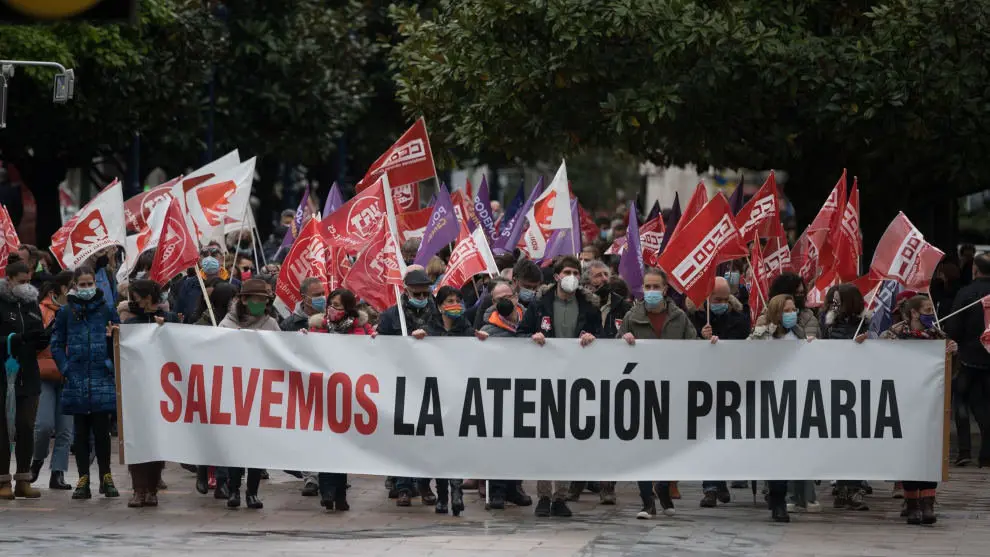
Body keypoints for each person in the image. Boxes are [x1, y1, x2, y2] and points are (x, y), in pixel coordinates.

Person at [518, 255, 603, 518]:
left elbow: (603, 337)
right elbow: (521, 334)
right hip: (544, 379)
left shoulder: (589, 307)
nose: (571, 277)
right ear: (556, 276)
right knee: (545, 439)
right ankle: (544, 496)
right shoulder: (539, 305)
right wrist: (533, 337)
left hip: (576, 381)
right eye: (567, 272)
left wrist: (592, 338)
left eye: (576, 273)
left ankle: (561, 497)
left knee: (567, 439)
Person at [618, 267, 698, 519]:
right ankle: (647, 501)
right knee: (642, 447)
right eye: (647, 287)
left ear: (665, 290)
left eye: (656, 287)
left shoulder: (679, 318)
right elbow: (614, 350)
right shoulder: (632, 317)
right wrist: (623, 340)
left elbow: (695, 349)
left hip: (673, 390)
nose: (651, 291)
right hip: (641, 390)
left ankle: (663, 486)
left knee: (671, 445)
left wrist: (710, 343)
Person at [880, 294, 957, 524]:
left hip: (931, 404)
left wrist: (953, 352)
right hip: (903, 402)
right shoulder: (894, 334)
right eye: (927, 310)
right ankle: (912, 503)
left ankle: (928, 503)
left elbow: (951, 371)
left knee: (930, 452)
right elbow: (877, 358)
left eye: (932, 310)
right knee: (909, 452)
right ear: (914, 313)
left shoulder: (938, 336)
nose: (931, 315)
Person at [414, 286, 488, 516]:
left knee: (455, 446)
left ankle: (456, 492)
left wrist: (481, 340)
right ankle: (443, 496)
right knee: (439, 448)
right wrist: (417, 340)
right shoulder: (429, 329)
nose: (454, 304)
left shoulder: (467, 330)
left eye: (457, 300)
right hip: (435, 396)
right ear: (439, 306)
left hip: (458, 395)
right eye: (449, 301)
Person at [50, 266, 121, 500]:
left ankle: (106, 477)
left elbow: (120, 339)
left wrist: (110, 360)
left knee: (102, 432)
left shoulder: (107, 309)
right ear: (74, 286)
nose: (87, 288)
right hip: (77, 379)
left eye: (90, 283)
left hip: (101, 377)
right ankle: (83, 478)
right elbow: (56, 343)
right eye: (82, 284)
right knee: (80, 433)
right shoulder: (66, 312)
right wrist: (66, 368)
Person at [306, 288, 374, 511]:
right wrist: (302, 340)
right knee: (326, 443)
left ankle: (340, 494)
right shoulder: (318, 327)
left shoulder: (362, 329)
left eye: (337, 306)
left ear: (348, 308)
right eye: (331, 304)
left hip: (350, 394)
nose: (332, 309)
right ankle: (327, 492)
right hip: (324, 393)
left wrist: (375, 341)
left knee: (342, 445)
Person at [378, 269, 440, 506]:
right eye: (417, 293)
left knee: (427, 436)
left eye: (425, 293)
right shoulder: (391, 316)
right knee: (403, 435)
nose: (422, 297)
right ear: (406, 291)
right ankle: (403, 486)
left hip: (430, 381)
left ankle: (423, 483)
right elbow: (382, 346)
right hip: (401, 382)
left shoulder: (437, 314)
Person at [217, 279, 280, 509]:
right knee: (237, 446)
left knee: (257, 446)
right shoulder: (227, 324)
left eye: (264, 300)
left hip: (262, 391)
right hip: (234, 392)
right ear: (243, 300)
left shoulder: (271, 324)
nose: (260, 304)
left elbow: (282, 351)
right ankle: (234, 490)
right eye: (256, 299)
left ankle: (252, 492)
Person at [748, 294, 811, 521]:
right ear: (776, 312)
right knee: (774, 454)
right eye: (786, 310)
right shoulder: (762, 336)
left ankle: (780, 498)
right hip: (768, 402)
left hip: (795, 402)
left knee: (786, 454)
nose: (791, 314)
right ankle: (778, 500)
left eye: (793, 309)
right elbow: (743, 356)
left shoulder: (799, 335)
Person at [691, 276, 751, 507]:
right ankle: (710, 487)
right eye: (717, 300)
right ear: (707, 298)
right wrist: (701, 338)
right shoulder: (695, 317)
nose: (722, 304)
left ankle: (720, 480)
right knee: (707, 437)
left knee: (726, 436)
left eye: (725, 300)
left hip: (731, 384)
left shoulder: (739, 318)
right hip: (703, 385)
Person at [121, 280, 179, 507]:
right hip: (137, 388)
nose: (135, 301)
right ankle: (138, 489)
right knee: (137, 439)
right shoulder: (131, 323)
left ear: (149, 297)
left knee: (156, 440)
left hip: (163, 389)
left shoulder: (170, 319)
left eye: (138, 297)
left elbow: (181, 345)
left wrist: (165, 329)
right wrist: (113, 337)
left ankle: (152, 488)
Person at [0, 261, 50, 499]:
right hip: (3, 374)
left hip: (28, 374)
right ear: (9, 279)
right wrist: (15, 339)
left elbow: (37, 332)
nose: (26, 286)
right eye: (21, 281)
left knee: (26, 426)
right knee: (3, 429)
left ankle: (23, 479)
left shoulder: (31, 303)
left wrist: (41, 339)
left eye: (29, 281)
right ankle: (3, 481)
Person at [818, 283, 870, 511]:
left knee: (857, 441)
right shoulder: (828, 322)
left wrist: (867, 342)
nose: (835, 305)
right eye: (833, 301)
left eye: (839, 301)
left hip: (860, 387)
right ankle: (841, 487)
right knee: (838, 440)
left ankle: (854, 488)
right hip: (834, 385)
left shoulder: (867, 323)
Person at [193, 282, 239, 500]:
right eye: (231, 299)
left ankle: (222, 480)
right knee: (210, 433)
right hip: (209, 385)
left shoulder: (236, 322)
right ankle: (203, 472)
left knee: (227, 436)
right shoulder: (203, 322)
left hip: (230, 385)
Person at [30, 271, 74, 491]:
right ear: (60, 289)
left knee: (65, 430)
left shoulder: (78, 311)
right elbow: (33, 341)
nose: (77, 290)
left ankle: (58, 473)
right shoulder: (40, 310)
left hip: (69, 374)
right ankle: (37, 460)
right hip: (45, 372)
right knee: (43, 426)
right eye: (73, 286)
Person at [946, 253, 990, 468]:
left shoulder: (965, 293)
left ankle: (964, 451)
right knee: (985, 405)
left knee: (961, 402)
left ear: (974, 270)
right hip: (988, 359)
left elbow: (953, 327)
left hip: (967, 359)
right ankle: (986, 454)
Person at [472, 259, 543, 330]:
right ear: (514, 281)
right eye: (527, 287)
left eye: (535, 288)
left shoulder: (538, 303)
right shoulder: (493, 299)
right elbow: (478, 331)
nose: (531, 291)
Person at [757, 272, 819, 338]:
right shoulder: (766, 316)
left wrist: (792, 324)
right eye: (796, 292)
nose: (799, 296)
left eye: (802, 292)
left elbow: (810, 341)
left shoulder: (808, 318)